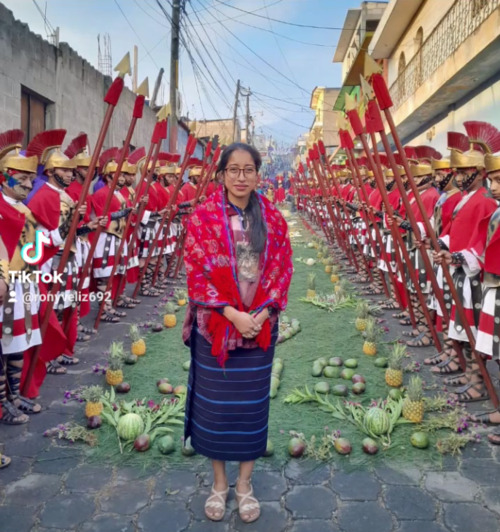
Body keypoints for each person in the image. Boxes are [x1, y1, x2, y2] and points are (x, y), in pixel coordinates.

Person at [182, 142, 293, 523]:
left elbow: (283, 269)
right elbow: (195, 272)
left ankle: (244, 484)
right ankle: (219, 483)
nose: (241, 177)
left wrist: (260, 316)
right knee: (216, 409)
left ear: (259, 174)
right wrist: (231, 314)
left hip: (259, 330)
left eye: (248, 170)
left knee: (250, 410)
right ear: (222, 174)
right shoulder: (202, 217)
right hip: (216, 329)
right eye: (234, 169)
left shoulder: (274, 219)